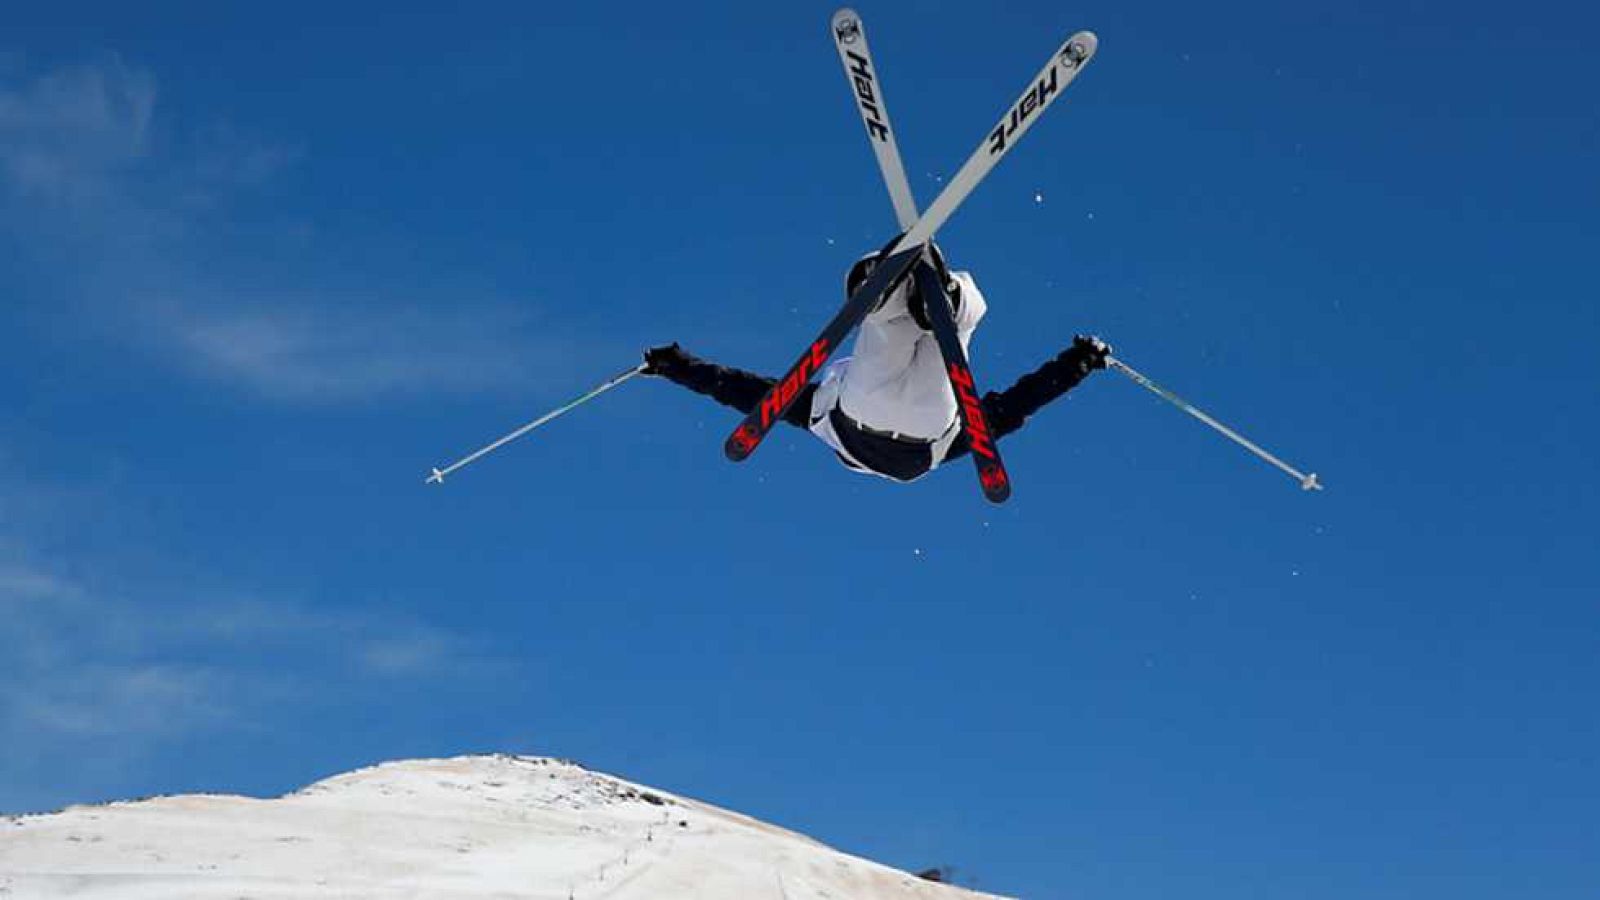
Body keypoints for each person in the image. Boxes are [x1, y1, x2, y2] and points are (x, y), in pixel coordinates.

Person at [641, 243, 1110, 483]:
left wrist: (1078, 364)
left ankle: (925, 301)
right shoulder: (821, 418)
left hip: (924, 426)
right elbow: (744, 390)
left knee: (949, 334)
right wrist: (679, 366)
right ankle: (910, 301)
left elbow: (1014, 407)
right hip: (873, 413)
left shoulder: (825, 417)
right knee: (894, 334)